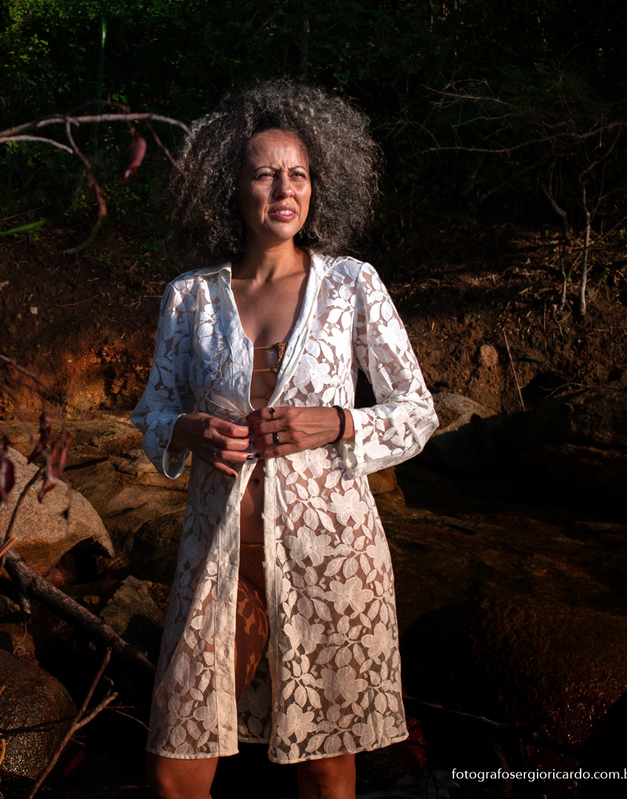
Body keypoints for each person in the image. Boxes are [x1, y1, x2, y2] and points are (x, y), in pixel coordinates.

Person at [131, 80, 438, 799]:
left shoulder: (354, 285)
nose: (283, 187)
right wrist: (187, 429)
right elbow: (151, 413)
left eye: (297, 172)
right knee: (175, 769)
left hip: (332, 563)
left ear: (315, 186)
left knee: (327, 770)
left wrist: (337, 421)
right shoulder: (190, 296)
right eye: (264, 172)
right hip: (219, 563)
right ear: (230, 186)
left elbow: (418, 410)